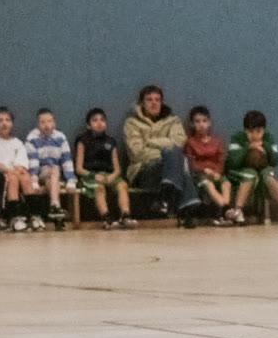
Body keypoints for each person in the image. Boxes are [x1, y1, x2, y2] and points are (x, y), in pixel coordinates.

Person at [124, 85, 193, 218]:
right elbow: (137, 153)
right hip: (143, 170)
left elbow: (180, 143)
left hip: (169, 169)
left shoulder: (173, 121)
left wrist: (149, 142)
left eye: (157, 99)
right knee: (173, 158)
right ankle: (188, 206)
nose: (154, 103)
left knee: (174, 156)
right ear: (142, 103)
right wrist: (165, 152)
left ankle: (165, 200)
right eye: (149, 99)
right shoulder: (132, 123)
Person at [226, 111, 278, 225]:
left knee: (269, 176)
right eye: (251, 131)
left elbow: (275, 161)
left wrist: (265, 148)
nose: (255, 135)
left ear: (264, 130)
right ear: (245, 130)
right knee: (250, 174)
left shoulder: (268, 138)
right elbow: (233, 163)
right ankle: (238, 210)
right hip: (239, 170)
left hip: (261, 169)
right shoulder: (236, 138)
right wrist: (248, 147)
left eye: (258, 131)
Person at [75, 108, 136, 230]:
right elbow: (79, 169)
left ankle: (125, 216)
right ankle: (106, 218)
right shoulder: (82, 141)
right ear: (88, 125)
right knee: (99, 188)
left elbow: (117, 168)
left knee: (122, 185)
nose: (99, 123)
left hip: (108, 175)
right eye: (95, 120)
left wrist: (112, 176)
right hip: (90, 176)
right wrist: (94, 176)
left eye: (102, 120)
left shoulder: (110, 141)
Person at [0, 107, 38, 232]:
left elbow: (22, 165)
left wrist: (17, 170)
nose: (4, 123)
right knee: (12, 177)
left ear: (12, 123)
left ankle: (34, 216)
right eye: (0, 120)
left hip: (15, 173)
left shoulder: (17, 143)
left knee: (26, 177)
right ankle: (14, 216)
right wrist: (10, 171)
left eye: (7, 120)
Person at [184, 105, 235, 224]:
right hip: (201, 176)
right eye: (197, 121)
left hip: (216, 174)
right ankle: (226, 210)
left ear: (209, 123)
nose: (201, 124)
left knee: (226, 183)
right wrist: (204, 169)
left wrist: (217, 172)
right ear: (192, 124)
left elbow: (220, 160)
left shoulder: (217, 142)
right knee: (209, 185)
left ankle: (225, 210)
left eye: (204, 121)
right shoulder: (190, 143)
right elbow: (191, 163)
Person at [25, 108, 74, 230]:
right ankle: (55, 206)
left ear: (54, 123)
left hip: (54, 176)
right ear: (38, 124)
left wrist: (71, 180)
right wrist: (34, 181)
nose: (47, 125)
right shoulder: (32, 138)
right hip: (40, 173)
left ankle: (56, 213)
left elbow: (67, 160)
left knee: (52, 180)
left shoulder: (60, 137)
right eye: (43, 122)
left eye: (49, 121)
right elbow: (32, 162)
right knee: (54, 171)